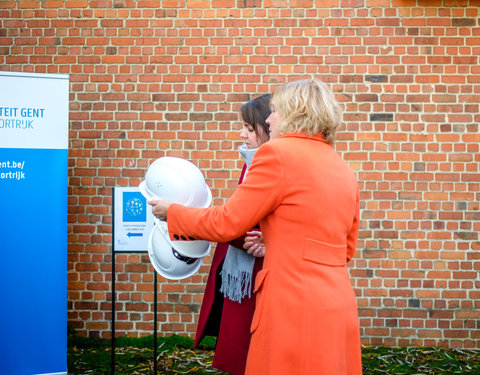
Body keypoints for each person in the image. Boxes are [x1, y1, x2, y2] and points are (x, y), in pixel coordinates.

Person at [150, 79, 362, 375]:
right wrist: (275, 240)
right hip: (337, 302)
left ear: (293, 113)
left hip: (290, 301)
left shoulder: (276, 155)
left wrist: (173, 213)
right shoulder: (343, 169)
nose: (268, 118)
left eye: (274, 110)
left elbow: (227, 222)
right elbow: (344, 249)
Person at [193, 94, 271, 375]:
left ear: (268, 128)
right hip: (241, 264)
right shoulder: (250, 162)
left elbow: (249, 220)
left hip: (258, 269)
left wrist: (222, 227)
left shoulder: (266, 166)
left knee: (251, 350)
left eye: (250, 129)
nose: (242, 134)